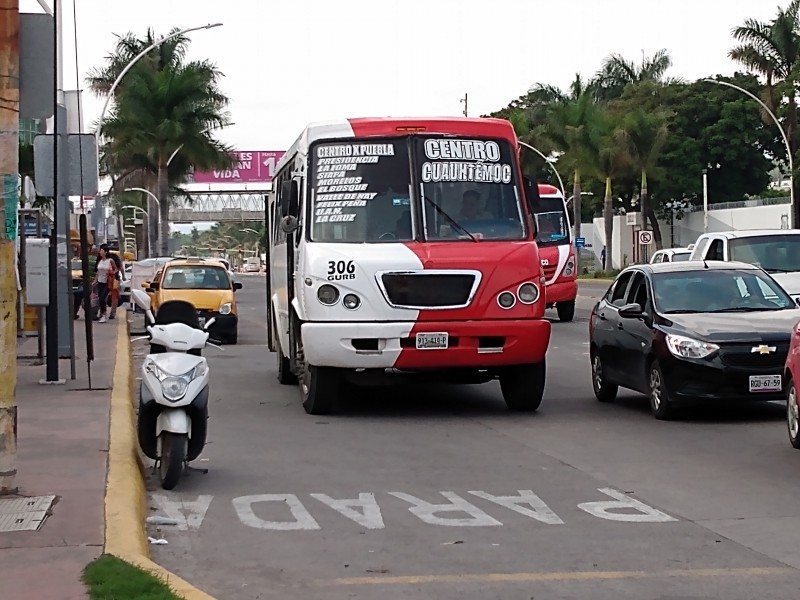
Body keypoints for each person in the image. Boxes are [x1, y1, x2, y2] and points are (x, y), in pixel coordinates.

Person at [92, 245, 117, 323]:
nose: (100, 252)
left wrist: (112, 272)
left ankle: (104, 315)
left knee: (103, 298)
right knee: (100, 298)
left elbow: (116, 269)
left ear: (106, 252)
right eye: (100, 251)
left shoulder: (110, 260)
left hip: (107, 282)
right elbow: (98, 272)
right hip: (100, 281)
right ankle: (103, 313)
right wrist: (95, 280)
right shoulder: (99, 260)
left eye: (102, 251)